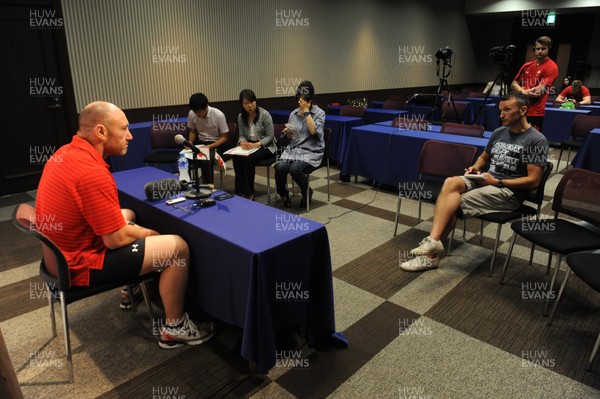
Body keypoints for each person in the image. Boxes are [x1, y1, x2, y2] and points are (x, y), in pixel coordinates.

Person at [35, 101, 215, 348]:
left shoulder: (65, 154)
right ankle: (174, 327)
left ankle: (132, 289)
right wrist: (152, 234)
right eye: (124, 129)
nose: (130, 135)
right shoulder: (91, 172)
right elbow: (115, 239)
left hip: (60, 256)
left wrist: (136, 229)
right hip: (80, 265)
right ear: (101, 132)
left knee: (129, 212)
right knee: (177, 248)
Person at [400, 93, 548, 272]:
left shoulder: (536, 140)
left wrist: (498, 181)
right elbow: (484, 157)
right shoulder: (499, 132)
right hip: (486, 180)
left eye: (507, 110)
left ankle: (430, 256)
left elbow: (533, 181)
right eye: (500, 110)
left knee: (451, 205)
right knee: (451, 182)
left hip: (508, 192)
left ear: (523, 110)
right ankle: (433, 242)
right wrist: (475, 168)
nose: (501, 115)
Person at [275, 80, 326, 208]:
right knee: (280, 167)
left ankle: (307, 192)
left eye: (303, 99)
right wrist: (287, 133)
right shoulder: (294, 114)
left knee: (295, 169)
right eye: (299, 98)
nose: (300, 102)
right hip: (294, 150)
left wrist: (306, 112)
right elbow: (289, 134)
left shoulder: (320, 113)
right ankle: (283, 194)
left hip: (311, 151)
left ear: (310, 99)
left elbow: (313, 131)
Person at [233, 89, 276, 200]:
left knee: (249, 159)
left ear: (256, 101)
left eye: (252, 102)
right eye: (246, 103)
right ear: (242, 105)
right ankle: (239, 190)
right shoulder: (241, 116)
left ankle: (249, 192)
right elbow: (241, 135)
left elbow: (270, 136)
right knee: (236, 158)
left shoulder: (264, 114)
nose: (250, 105)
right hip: (250, 145)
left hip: (266, 146)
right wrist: (242, 142)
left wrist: (258, 144)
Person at [511, 36, 559, 132]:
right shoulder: (527, 65)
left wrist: (522, 92)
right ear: (534, 50)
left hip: (535, 112)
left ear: (548, 49)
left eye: (543, 49)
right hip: (520, 108)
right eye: (538, 49)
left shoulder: (552, 67)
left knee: (531, 142)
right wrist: (522, 91)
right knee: (516, 138)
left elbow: (539, 91)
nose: (540, 51)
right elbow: (513, 84)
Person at [187, 93, 229, 184]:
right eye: (195, 112)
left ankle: (208, 186)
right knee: (183, 158)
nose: (198, 115)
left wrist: (210, 146)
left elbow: (224, 137)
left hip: (216, 143)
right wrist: (189, 143)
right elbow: (192, 131)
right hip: (201, 142)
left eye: (200, 112)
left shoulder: (218, 115)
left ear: (206, 106)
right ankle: (186, 185)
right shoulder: (191, 114)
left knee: (205, 159)